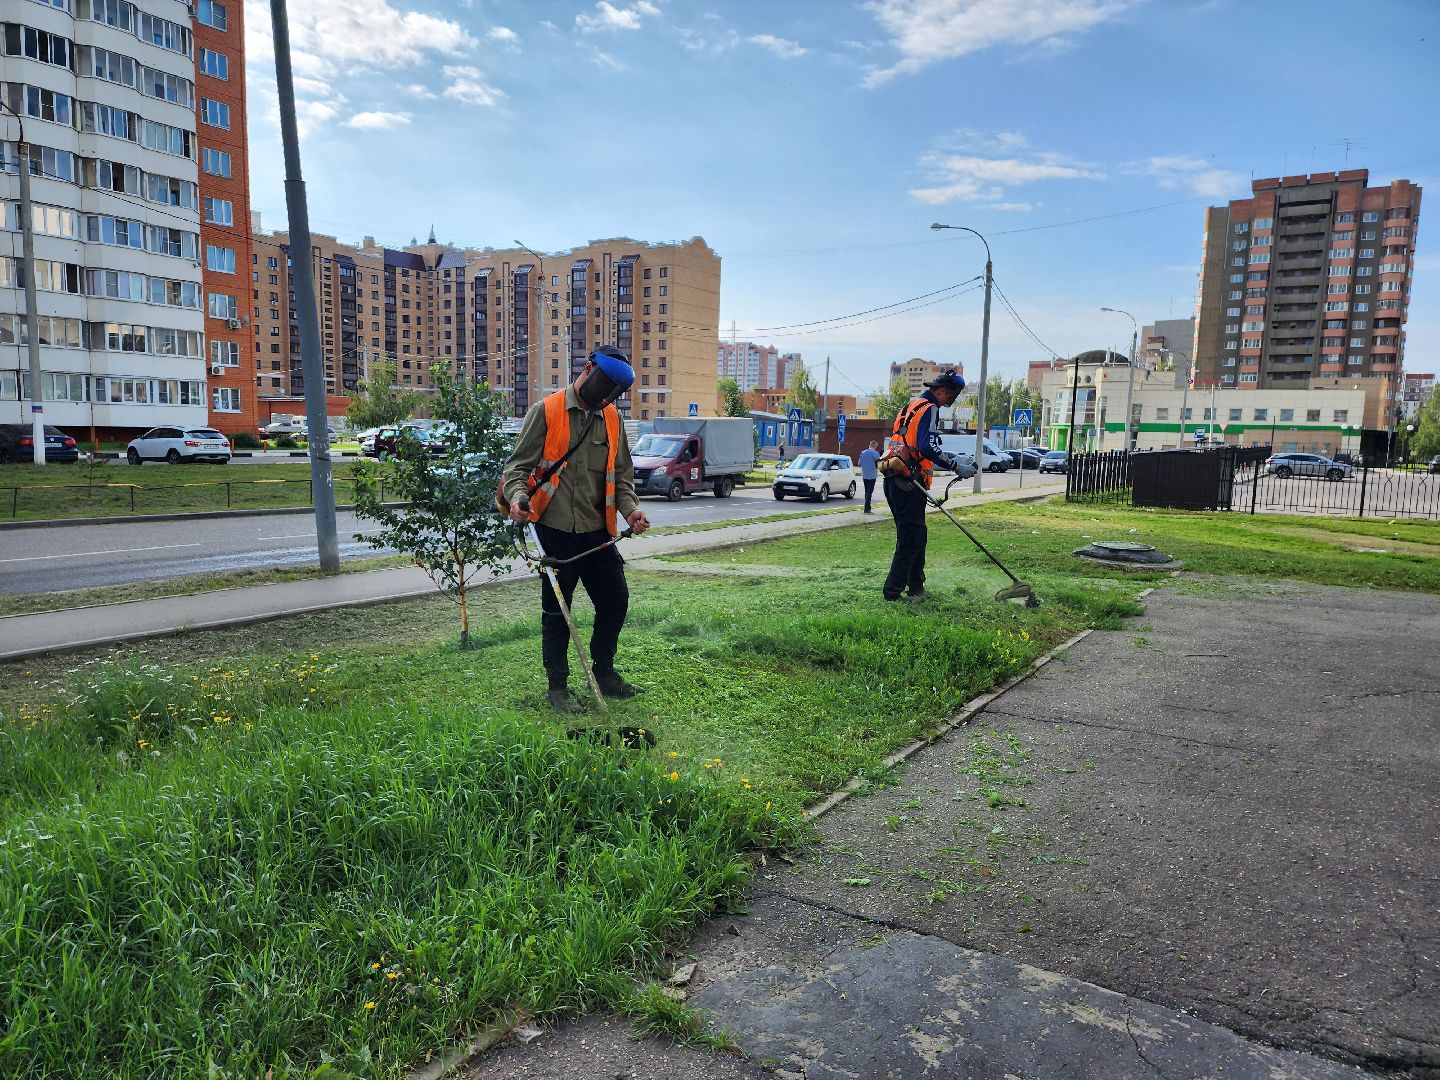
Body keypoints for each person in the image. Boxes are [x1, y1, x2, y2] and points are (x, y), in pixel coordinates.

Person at [503, 346, 650, 713]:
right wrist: (519, 499)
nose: (606, 397)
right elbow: (516, 470)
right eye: (604, 387)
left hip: (597, 533)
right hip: (553, 531)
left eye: (614, 392)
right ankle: (558, 688)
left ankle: (605, 674)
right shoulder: (547, 412)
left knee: (615, 601)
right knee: (557, 612)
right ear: (587, 370)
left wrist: (630, 512)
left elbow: (624, 478)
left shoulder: (612, 420)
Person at [880, 368, 965, 601]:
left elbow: (916, 444)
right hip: (908, 481)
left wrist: (953, 457)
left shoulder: (911, 407)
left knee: (916, 534)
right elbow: (926, 448)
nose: (950, 402)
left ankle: (916, 586)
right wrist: (955, 466)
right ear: (941, 391)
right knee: (911, 538)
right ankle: (892, 592)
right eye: (951, 396)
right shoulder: (930, 409)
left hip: (895, 478)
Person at [858, 440, 881, 514]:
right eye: (877, 446)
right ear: (875, 446)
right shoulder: (876, 453)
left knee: (866, 492)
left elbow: (859, 463)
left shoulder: (862, 452)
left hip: (864, 475)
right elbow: (878, 464)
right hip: (872, 475)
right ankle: (867, 509)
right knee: (869, 492)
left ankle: (867, 507)